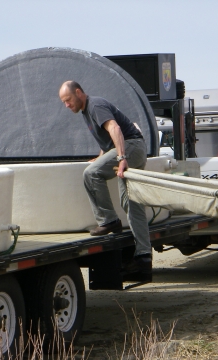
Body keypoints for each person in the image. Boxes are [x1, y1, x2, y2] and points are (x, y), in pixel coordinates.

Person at [58, 80, 152, 275]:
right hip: (133, 147)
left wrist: (121, 157)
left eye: (68, 100)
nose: (67, 105)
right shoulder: (87, 111)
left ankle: (108, 220)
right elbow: (107, 139)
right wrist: (102, 158)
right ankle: (143, 257)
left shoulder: (95, 105)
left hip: (130, 147)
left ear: (78, 92)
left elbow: (115, 129)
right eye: (64, 102)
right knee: (131, 203)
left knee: (91, 173)